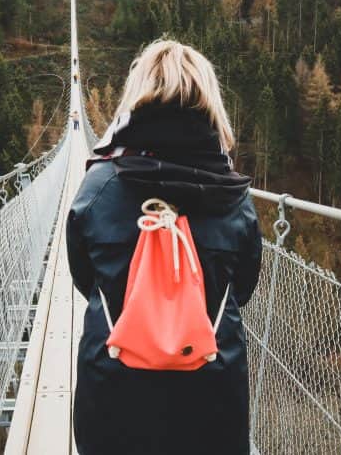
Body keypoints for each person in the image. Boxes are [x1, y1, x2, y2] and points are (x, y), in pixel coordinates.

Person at [66, 39, 262, 455]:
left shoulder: (97, 189)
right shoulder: (234, 197)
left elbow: (85, 280)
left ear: (135, 97)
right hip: (212, 397)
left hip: (112, 395)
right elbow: (243, 288)